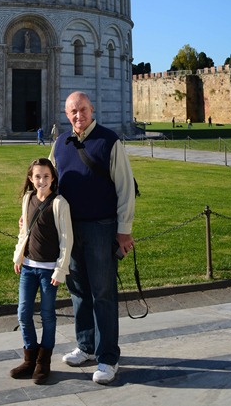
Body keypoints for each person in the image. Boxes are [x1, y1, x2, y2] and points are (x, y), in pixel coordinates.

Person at [49, 91, 135, 385]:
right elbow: (49, 183)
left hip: (101, 227)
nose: (78, 116)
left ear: (91, 109)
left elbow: (124, 188)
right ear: (66, 114)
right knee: (79, 292)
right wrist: (33, 211)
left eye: (82, 110)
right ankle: (86, 346)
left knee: (103, 294)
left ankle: (108, 357)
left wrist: (124, 230)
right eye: (72, 111)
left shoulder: (109, 141)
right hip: (70, 231)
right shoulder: (60, 143)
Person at [11, 158, 73, 384]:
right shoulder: (27, 199)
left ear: (53, 178)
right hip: (28, 267)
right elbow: (24, 231)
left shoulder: (59, 204)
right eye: (37, 176)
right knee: (23, 313)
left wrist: (60, 269)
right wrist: (19, 255)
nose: (41, 180)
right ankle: (29, 357)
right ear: (30, 179)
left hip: (49, 271)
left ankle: (43, 362)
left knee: (47, 315)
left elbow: (67, 239)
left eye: (46, 176)